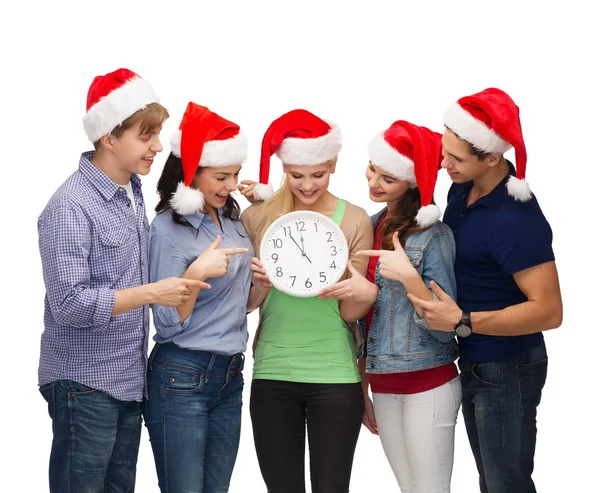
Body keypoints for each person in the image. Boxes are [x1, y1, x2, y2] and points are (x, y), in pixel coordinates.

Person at [37, 68, 206, 493]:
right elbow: (71, 304)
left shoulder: (130, 192)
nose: (157, 146)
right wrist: (154, 293)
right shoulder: (71, 206)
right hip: (84, 384)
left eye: (158, 134)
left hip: (127, 382)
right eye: (145, 135)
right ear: (109, 137)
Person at [408, 88, 563, 493]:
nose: (444, 165)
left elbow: (549, 311)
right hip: (475, 360)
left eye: (456, 159)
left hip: (507, 367)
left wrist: (462, 320)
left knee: (505, 484)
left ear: (492, 157)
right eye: (445, 153)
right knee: (491, 482)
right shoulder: (462, 189)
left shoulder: (516, 218)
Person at [321, 120, 461, 492]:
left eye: (389, 177)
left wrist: (408, 277)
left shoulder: (435, 235)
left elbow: (445, 322)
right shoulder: (369, 225)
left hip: (427, 381)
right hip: (383, 385)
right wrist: (364, 383)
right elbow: (364, 317)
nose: (374, 182)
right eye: (373, 168)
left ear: (413, 182)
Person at [239, 109, 374, 493]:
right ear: (283, 167)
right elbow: (244, 305)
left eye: (318, 174)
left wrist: (361, 294)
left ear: (333, 164)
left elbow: (351, 312)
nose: (308, 185)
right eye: (297, 175)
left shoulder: (355, 220)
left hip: (335, 372)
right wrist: (261, 288)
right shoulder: (260, 216)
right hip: (272, 371)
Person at [144, 102, 258, 493]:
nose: (230, 185)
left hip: (229, 375)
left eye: (236, 174)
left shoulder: (231, 222)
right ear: (191, 173)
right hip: (181, 374)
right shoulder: (167, 230)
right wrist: (194, 275)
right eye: (221, 176)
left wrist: (262, 284)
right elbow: (167, 322)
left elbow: (239, 304)